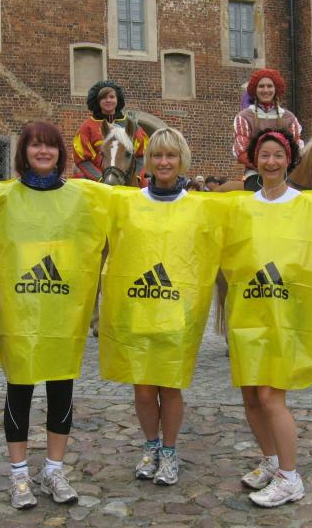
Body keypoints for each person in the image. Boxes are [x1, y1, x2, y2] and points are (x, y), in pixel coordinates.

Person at [0, 121, 107, 510]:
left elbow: (128, 205)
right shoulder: (2, 197)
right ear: (24, 152)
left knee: (61, 389)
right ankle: (19, 476)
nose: (43, 151)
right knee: (20, 388)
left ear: (60, 153)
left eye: (50, 145)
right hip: (20, 309)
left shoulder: (80, 197)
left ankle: (53, 470)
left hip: (62, 310)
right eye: (36, 145)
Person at [223, 128, 312, 508]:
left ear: (288, 160)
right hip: (248, 312)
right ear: (255, 160)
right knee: (250, 395)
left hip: (284, 315)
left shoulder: (306, 206)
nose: (271, 161)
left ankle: (291, 478)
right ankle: (272, 461)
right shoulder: (242, 206)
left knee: (271, 396)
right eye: (265, 155)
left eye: (278, 155)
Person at [98, 127, 221, 488]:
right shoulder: (127, 202)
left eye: (171, 155)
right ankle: (150, 445)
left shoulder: (199, 206)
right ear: (147, 161)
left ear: (182, 160)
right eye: (157, 155)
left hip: (176, 311)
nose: (164, 162)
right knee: (143, 389)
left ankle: (169, 450)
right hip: (138, 308)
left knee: (170, 386)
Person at [232, 69, 303, 191]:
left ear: (276, 89)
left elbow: (295, 150)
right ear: (255, 90)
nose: (265, 90)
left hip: (285, 173)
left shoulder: (289, 117)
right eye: (261, 86)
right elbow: (242, 152)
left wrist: (280, 167)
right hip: (256, 173)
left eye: (269, 86)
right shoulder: (244, 116)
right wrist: (267, 167)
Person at [72, 80, 149, 180]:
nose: (108, 100)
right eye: (103, 98)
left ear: (117, 99)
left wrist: (136, 176)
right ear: (97, 101)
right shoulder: (87, 127)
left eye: (112, 97)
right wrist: (101, 179)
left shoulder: (131, 125)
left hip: (128, 179)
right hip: (95, 180)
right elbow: (82, 159)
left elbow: (142, 155)